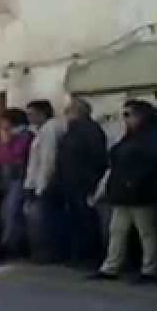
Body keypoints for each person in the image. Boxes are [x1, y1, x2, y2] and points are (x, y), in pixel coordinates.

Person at [91, 100, 157, 282]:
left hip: (141, 193)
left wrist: (134, 182)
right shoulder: (130, 138)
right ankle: (111, 266)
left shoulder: (151, 138)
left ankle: (150, 269)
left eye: (129, 115)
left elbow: (152, 164)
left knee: (146, 233)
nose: (125, 120)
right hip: (123, 192)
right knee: (117, 231)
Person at [53, 98, 109, 268]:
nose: (66, 114)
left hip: (83, 183)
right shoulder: (74, 131)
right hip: (71, 182)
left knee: (86, 221)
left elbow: (97, 158)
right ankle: (79, 255)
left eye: (69, 111)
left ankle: (89, 256)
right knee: (76, 221)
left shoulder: (89, 130)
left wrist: (90, 180)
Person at [24, 100, 64, 261]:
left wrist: (41, 186)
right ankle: (42, 251)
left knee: (43, 220)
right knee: (39, 219)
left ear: (42, 113)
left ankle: (46, 253)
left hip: (44, 184)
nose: (29, 118)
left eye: (31, 114)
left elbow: (48, 159)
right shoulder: (41, 131)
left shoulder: (50, 129)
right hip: (38, 181)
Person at [0, 108, 34, 259]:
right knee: (6, 213)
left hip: (19, 178)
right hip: (8, 180)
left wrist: (6, 142)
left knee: (12, 212)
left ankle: (7, 246)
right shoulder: (10, 137)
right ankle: (13, 244)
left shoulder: (25, 137)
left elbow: (14, 157)